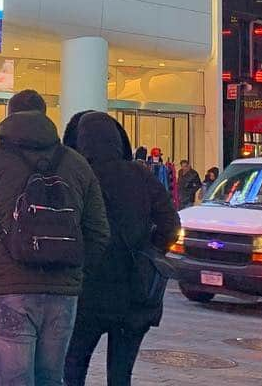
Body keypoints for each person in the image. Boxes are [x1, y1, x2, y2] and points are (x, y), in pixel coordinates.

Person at [0, 90, 110, 386]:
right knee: (51, 378)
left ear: (9, 116)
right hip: (62, 292)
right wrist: (74, 275)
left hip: (6, 288)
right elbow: (99, 232)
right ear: (45, 116)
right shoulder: (77, 164)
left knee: (15, 380)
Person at [63, 112, 181, 386]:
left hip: (88, 292)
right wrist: (149, 250)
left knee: (73, 366)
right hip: (134, 293)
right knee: (120, 375)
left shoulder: (78, 176)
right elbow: (171, 224)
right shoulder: (140, 174)